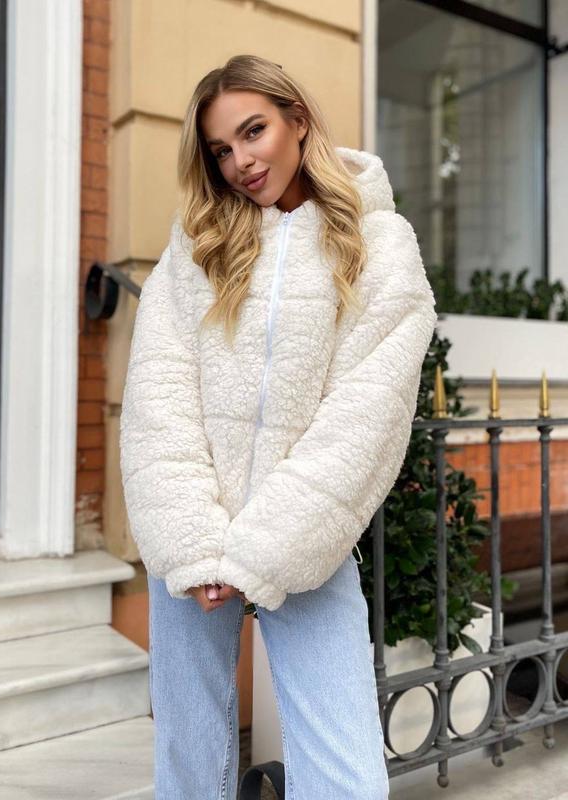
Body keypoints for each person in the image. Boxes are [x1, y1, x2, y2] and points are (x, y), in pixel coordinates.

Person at [119, 54, 437, 800]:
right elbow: (160, 393)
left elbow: (364, 419)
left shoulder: (381, 245)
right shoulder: (197, 246)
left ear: (298, 119)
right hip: (192, 538)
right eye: (220, 149)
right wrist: (195, 547)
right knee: (189, 766)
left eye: (253, 131)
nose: (240, 161)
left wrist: (262, 551)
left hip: (306, 543)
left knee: (349, 778)